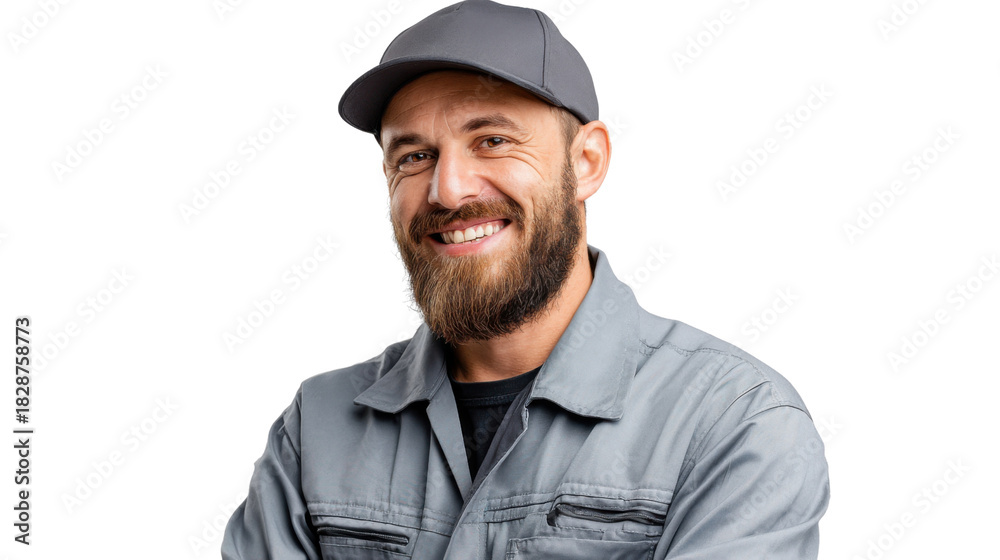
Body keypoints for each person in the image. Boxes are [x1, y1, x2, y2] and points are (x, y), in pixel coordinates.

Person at [221, 1, 830, 558]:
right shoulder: (316, 428)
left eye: (492, 141)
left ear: (586, 162)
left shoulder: (733, 421)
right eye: (414, 156)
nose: (447, 190)